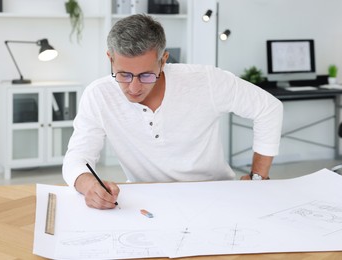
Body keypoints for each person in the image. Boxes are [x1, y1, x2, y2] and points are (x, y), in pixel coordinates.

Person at [62, 14, 283, 210]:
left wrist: (258, 177)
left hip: (216, 194)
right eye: (124, 75)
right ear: (110, 59)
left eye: (146, 75)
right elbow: (76, 158)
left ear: (163, 60)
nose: (134, 87)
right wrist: (89, 185)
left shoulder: (206, 80)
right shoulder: (98, 95)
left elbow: (268, 108)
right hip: (146, 201)